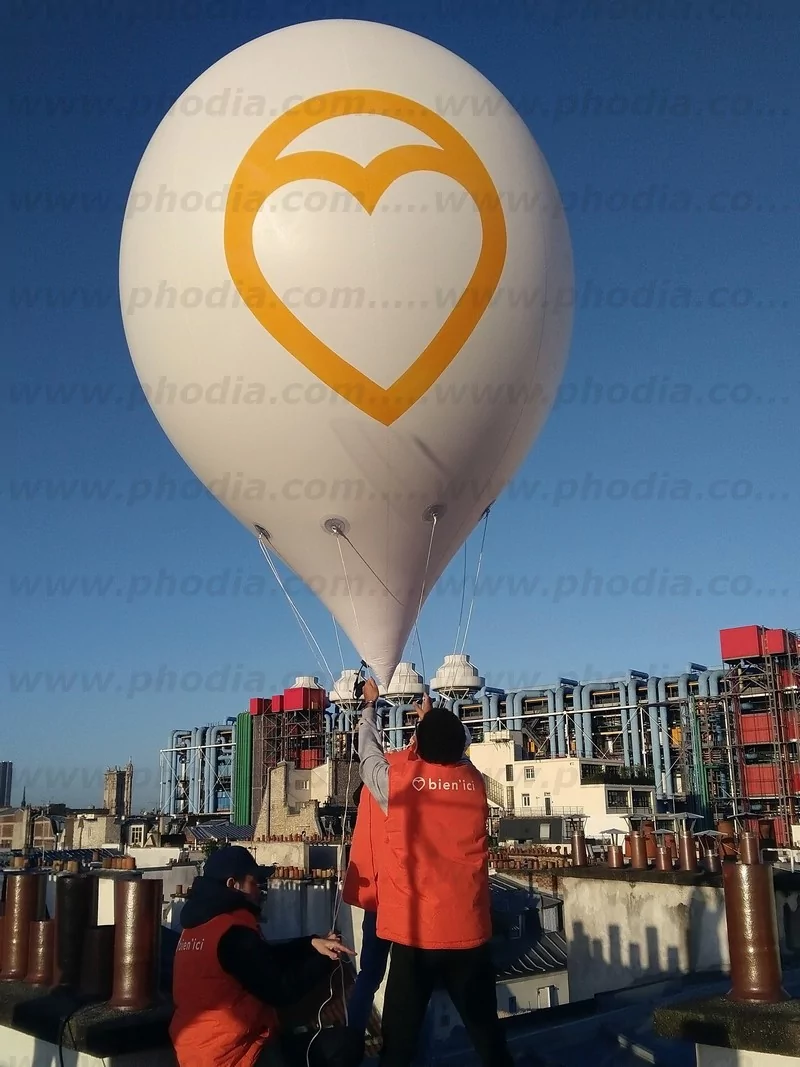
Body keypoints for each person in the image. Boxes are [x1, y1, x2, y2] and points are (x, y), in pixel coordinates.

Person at [356, 678, 512, 1067]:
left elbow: (368, 757)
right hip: (468, 932)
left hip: (416, 935)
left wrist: (370, 708)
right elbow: (456, 753)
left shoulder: (398, 784)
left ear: (420, 746)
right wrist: (431, 723)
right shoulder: (474, 783)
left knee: (399, 1040)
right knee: (487, 1035)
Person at [170, 844, 362, 1067]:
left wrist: (310, 944)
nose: (260, 889)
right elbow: (281, 989)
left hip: (201, 1052)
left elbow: (263, 958)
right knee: (345, 1044)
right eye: (253, 882)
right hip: (234, 1055)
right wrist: (323, 960)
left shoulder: (200, 925)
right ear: (233, 884)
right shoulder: (233, 934)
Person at [342, 780, 392, 1039]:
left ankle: (352, 1039)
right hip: (399, 898)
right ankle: (402, 1044)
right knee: (407, 976)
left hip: (374, 897)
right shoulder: (395, 799)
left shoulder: (365, 808)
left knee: (369, 974)